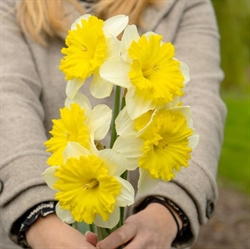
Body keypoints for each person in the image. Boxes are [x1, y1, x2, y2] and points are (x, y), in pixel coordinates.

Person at [0, 0, 227, 248]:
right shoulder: (13, 4)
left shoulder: (185, 4)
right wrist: (40, 221)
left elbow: (201, 99)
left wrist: (167, 210)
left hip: (152, 234)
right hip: (44, 227)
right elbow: (8, 96)